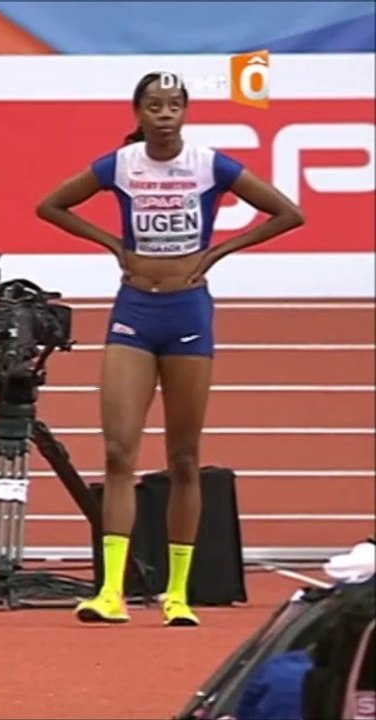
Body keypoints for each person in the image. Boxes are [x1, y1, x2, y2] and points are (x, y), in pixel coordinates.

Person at [35, 71, 305, 626]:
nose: (164, 113)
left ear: (185, 113)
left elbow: (288, 213)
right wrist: (112, 243)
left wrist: (218, 252)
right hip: (135, 310)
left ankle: (177, 594)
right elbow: (51, 205)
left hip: (188, 314)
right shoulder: (121, 165)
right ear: (138, 113)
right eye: (154, 105)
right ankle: (110, 592)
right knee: (117, 453)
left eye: (174, 105)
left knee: (184, 458)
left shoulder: (210, 164)